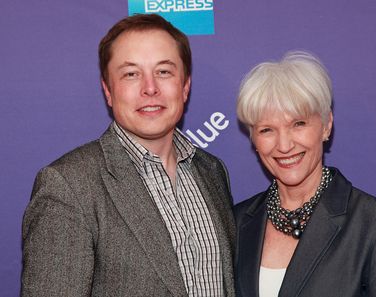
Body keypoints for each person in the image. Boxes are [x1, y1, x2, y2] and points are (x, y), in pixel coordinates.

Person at [22, 14, 235, 297]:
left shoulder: (212, 171)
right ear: (108, 91)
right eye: (131, 74)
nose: (150, 88)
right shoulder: (68, 185)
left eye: (164, 71)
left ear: (185, 87)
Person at [234, 51, 376, 297]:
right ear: (253, 138)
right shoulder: (235, 222)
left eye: (298, 124)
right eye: (267, 129)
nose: (284, 145)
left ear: (326, 125)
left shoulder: (374, 223)